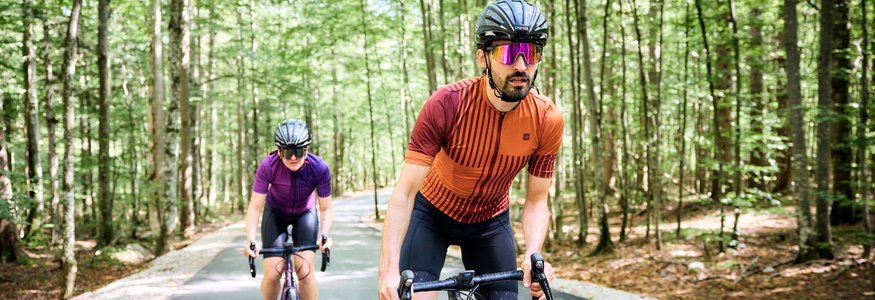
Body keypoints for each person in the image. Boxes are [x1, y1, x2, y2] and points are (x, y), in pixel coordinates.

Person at [378, 0, 562, 299]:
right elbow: (404, 194)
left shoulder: (547, 118)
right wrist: (387, 270)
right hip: (431, 215)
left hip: (490, 223)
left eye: (530, 53)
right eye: (506, 52)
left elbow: (537, 200)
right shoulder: (447, 104)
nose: (520, 65)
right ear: (482, 57)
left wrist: (532, 252)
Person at [243, 119, 334, 300]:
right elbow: (254, 207)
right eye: (287, 152)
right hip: (275, 214)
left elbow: (326, 209)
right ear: (278, 150)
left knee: (305, 272)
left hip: (305, 215)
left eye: (298, 152)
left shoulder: (319, 168)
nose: (293, 157)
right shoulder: (268, 165)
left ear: (306, 149)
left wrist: (324, 236)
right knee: (271, 275)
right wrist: (250, 240)